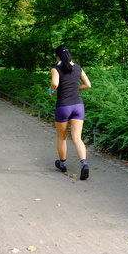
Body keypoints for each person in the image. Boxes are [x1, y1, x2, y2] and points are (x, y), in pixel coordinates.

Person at [49, 44, 91, 180]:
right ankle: (84, 164)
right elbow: (88, 85)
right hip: (78, 106)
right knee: (77, 138)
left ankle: (62, 164)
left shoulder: (56, 69)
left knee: (62, 137)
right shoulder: (78, 68)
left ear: (58, 56)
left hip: (63, 106)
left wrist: (51, 90)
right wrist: (74, 89)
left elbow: (55, 84)